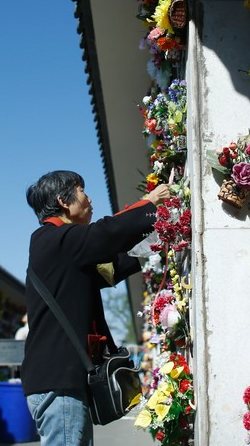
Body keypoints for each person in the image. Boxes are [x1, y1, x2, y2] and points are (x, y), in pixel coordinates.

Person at [22, 170, 170, 446]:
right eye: (81, 191)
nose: (89, 198)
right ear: (63, 201)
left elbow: (111, 267)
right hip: (58, 382)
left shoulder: (65, 246)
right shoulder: (51, 239)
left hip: (59, 381)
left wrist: (162, 238)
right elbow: (106, 233)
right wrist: (150, 203)